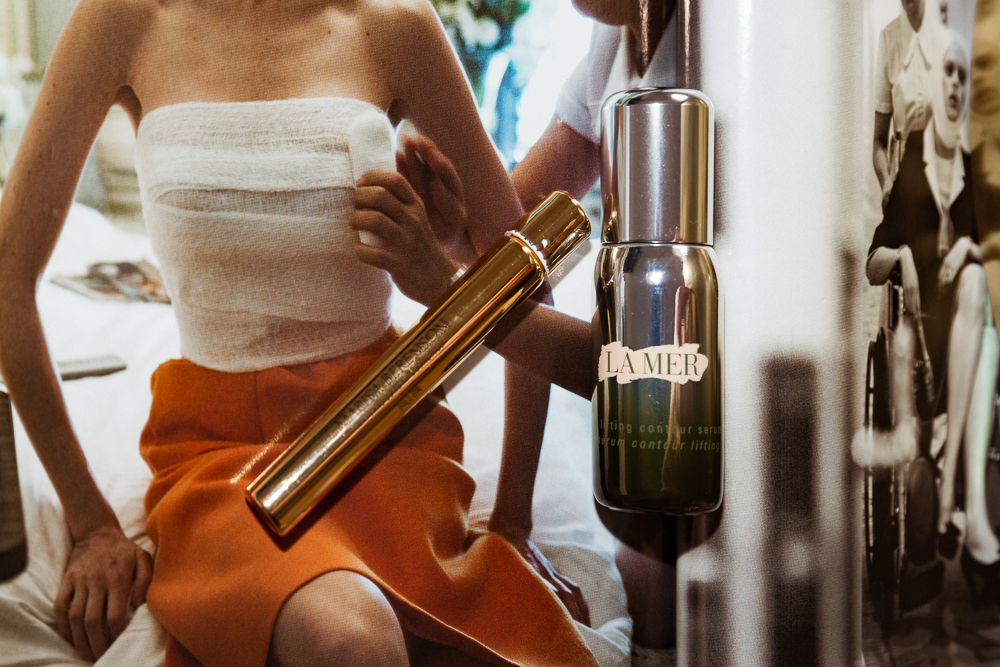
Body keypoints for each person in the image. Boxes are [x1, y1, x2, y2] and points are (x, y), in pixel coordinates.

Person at [0, 1, 596, 665]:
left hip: (383, 432)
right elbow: (7, 279)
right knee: (350, 640)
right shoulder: (121, 18)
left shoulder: (396, 25)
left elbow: (521, 271)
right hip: (217, 453)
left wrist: (513, 516)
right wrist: (91, 525)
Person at [368, 0, 683, 659]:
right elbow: (514, 244)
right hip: (657, 448)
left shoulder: (710, 72)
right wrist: (454, 236)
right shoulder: (617, 40)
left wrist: (446, 286)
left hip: (718, 436)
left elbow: (645, 368)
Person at [866, 32, 1000, 576]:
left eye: (962, 75)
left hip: (966, 340)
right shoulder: (913, 169)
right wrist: (903, 257)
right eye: (947, 71)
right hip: (921, 346)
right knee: (982, 316)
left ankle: (948, 498)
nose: (955, 84)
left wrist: (970, 246)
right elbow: (872, 264)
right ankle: (959, 501)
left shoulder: (974, 174)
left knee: (976, 283)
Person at [873, 0, 946, 208]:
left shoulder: (945, 39)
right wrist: (887, 186)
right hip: (903, 189)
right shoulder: (888, 38)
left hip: (941, 188)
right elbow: (878, 142)